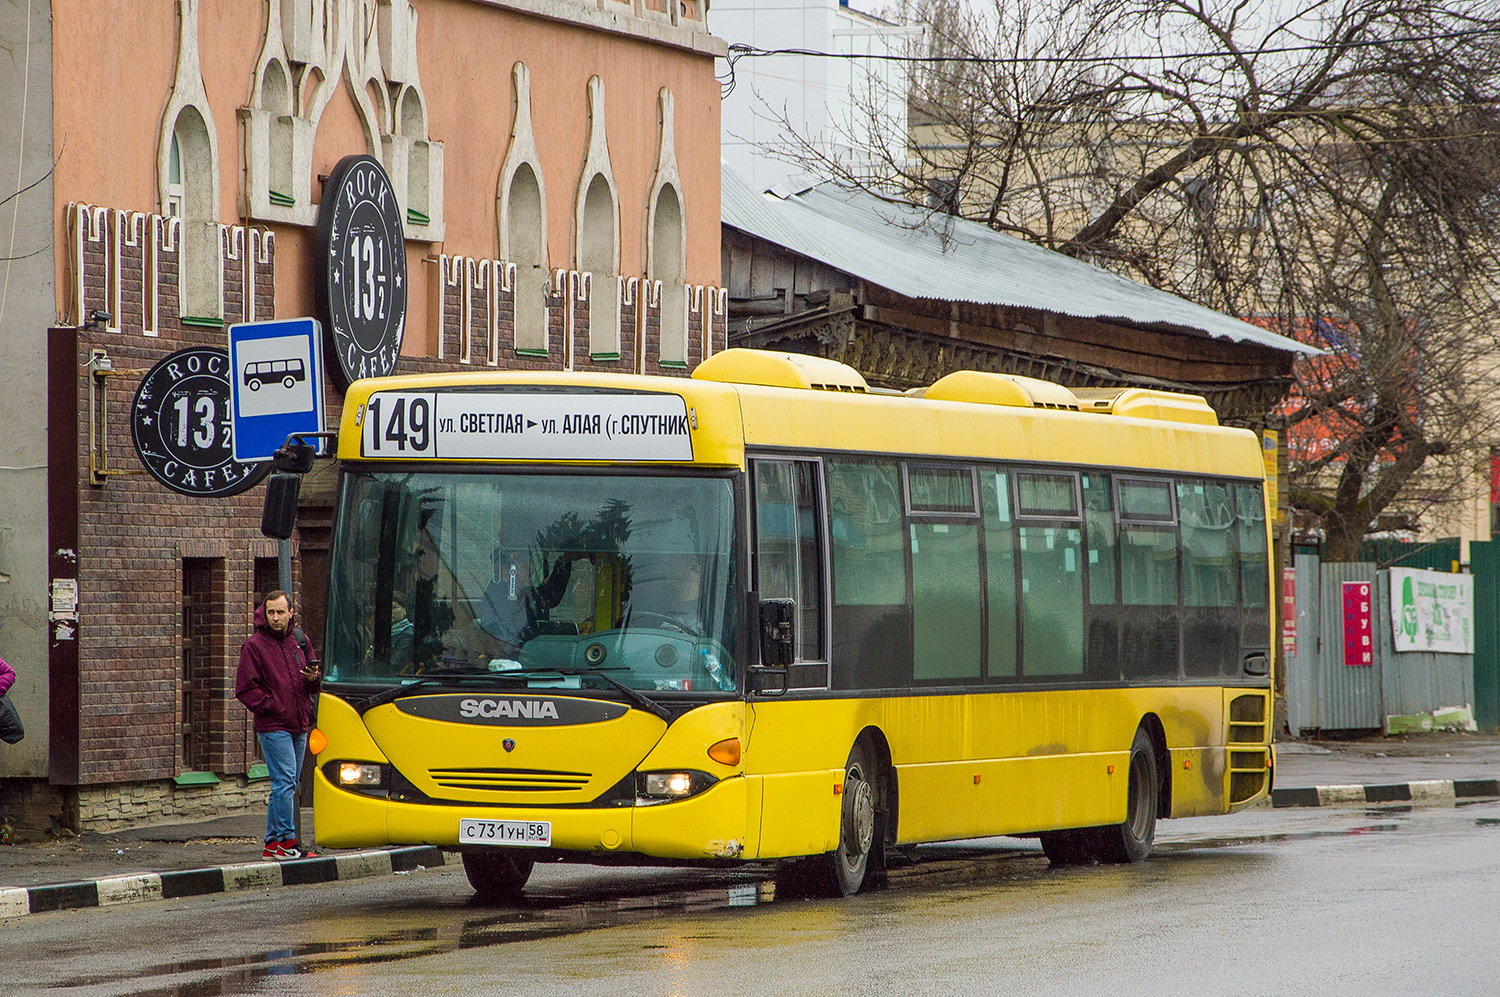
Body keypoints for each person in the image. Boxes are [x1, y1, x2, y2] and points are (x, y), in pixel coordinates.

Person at [235, 591, 320, 860]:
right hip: (273, 725)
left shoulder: (300, 641)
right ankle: (287, 842)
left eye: (281, 612)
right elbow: (245, 689)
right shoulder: (255, 646)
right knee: (284, 782)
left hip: (299, 722)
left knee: (288, 782)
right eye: (271, 612)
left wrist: (313, 677)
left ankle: (272, 843)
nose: (275, 617)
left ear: (291, 613)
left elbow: (314, 684)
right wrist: (273, 706)